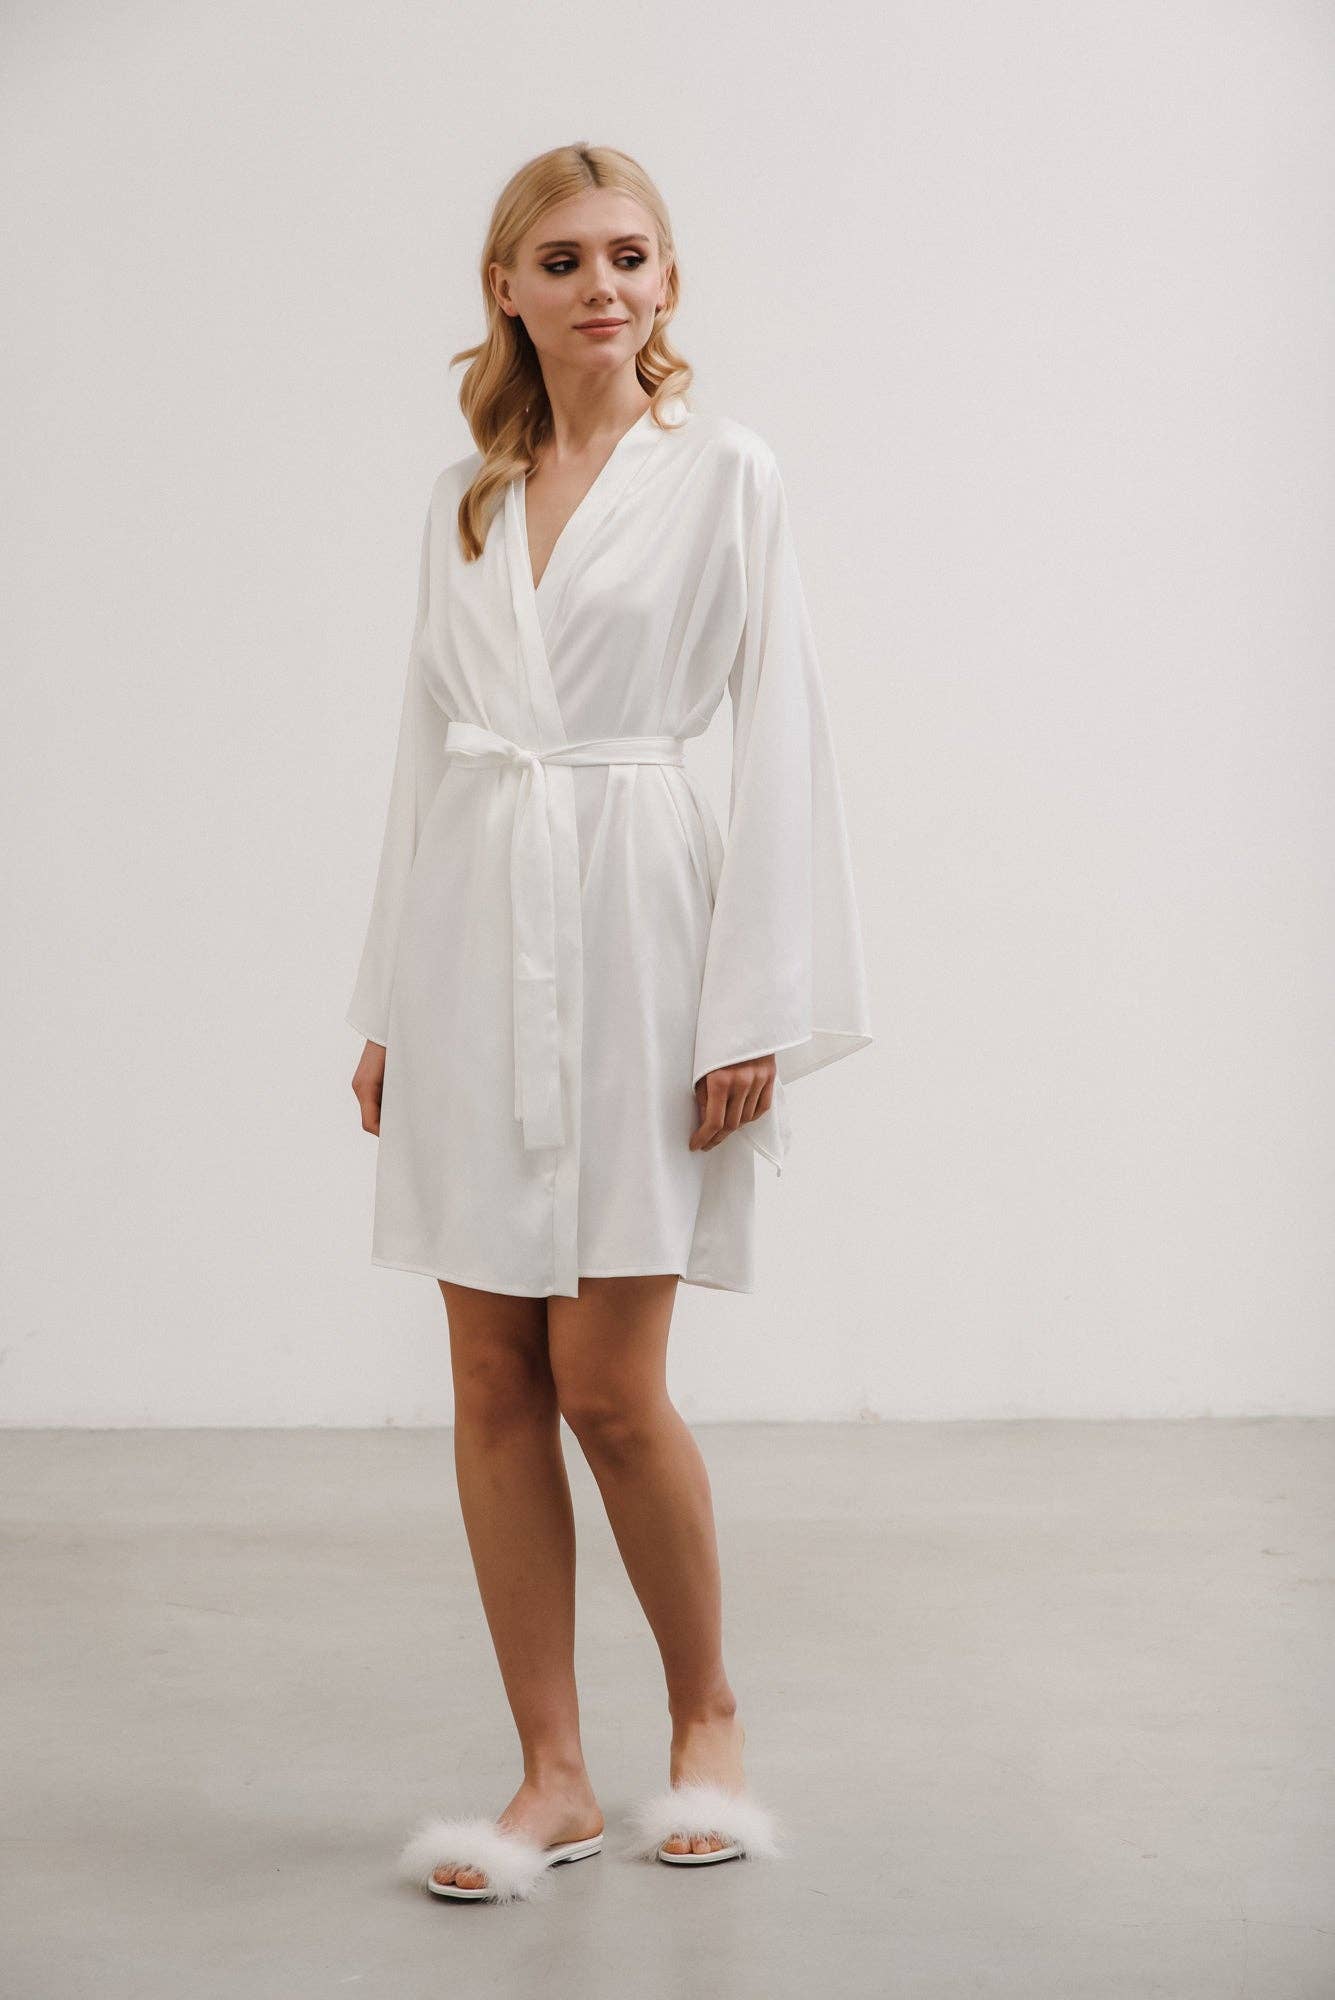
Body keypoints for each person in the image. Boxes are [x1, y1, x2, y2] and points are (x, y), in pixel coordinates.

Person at [347, 142, 872, 1904]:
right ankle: (552, 1774)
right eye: (563, 259)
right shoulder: (468, 498)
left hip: (645, 923)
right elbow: (425, 757)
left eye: (631, 255)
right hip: (471, 933)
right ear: (505, 288)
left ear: (668, 281)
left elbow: (781, 730)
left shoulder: (726, 474)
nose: (603, 287)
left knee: (610, 1386)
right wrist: (388, 1002)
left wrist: (757, 1003)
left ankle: (706, 1717)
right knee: (490, 1377)